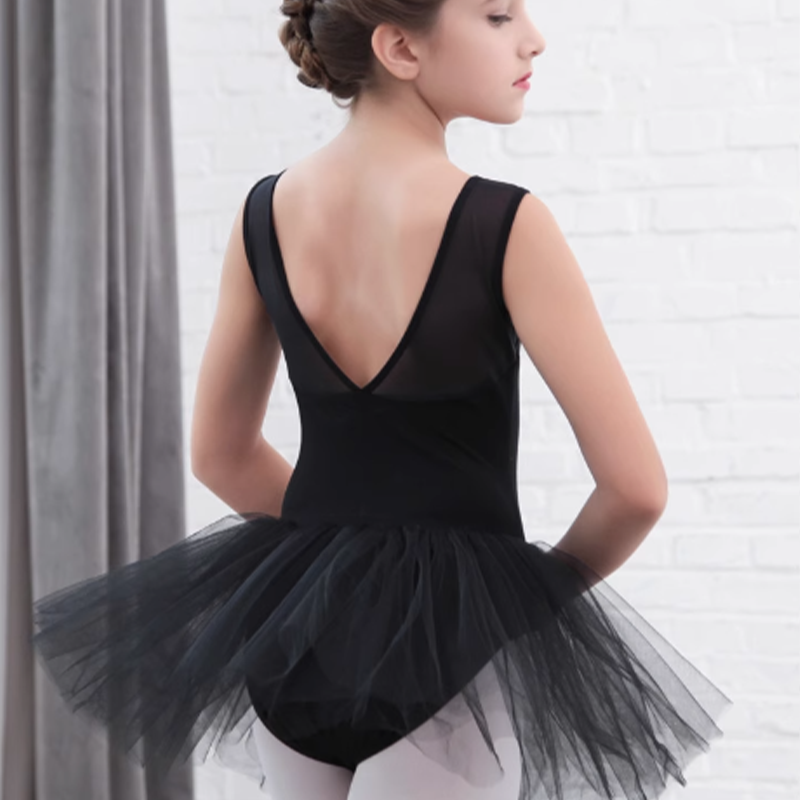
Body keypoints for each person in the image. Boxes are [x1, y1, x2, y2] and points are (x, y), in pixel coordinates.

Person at [31, 0, 733, 798]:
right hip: (451, 662)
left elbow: (220, 454)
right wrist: (517, 604)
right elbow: (636, 490)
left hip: (297, 648)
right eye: (498, 15)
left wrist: (343, 559)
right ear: (400, 47)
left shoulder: (265, 214)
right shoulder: (504, 224)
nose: (534, 39)